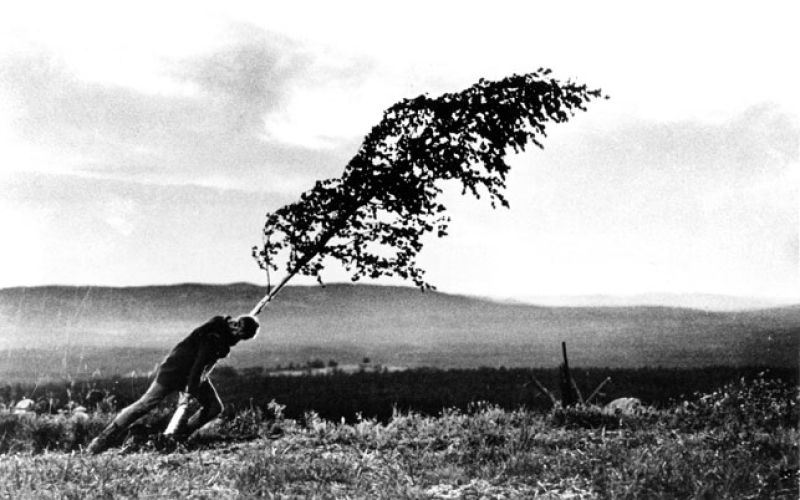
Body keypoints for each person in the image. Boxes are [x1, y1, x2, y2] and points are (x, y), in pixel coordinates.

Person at [87, 314, 260, 454]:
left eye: (243, 337)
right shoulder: (214, 338)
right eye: (239, 334)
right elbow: (198, 367)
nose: (238, 338)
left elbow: (201, 366)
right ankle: (102, 440)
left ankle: (177, 437)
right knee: (145, 404)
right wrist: (189, 393)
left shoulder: (222, 329)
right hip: (176, 371)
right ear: (236, 327)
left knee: (214, 407)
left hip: (193, 374)